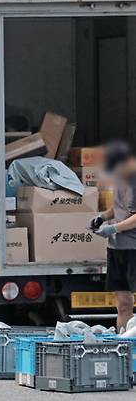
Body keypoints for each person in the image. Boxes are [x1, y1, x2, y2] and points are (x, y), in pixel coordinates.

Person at [91, 141, 136, 332]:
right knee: (123, 304)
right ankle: (123, 345)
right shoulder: (120, 179)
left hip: (134, 248)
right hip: (116, 249)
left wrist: (114, 228)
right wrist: (102, 217)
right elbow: (118, 208)